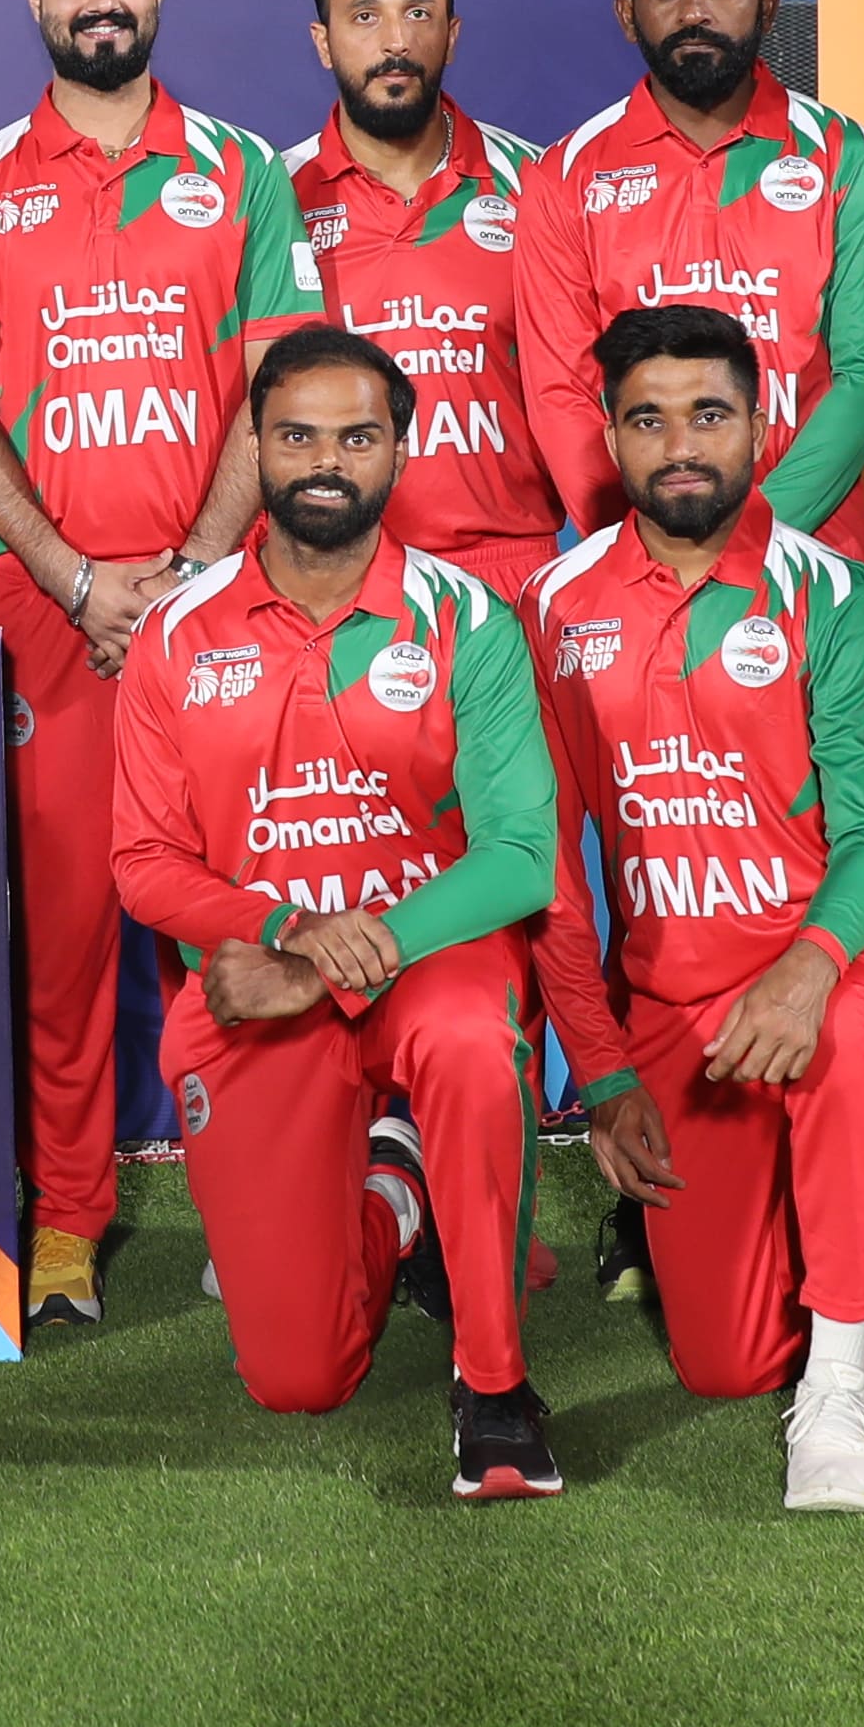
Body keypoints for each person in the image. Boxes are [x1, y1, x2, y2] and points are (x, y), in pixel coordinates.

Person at [0, 0, 317, 1328]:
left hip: (228, 599)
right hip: (49, 608)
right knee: (70, 930)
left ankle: (262, 1198)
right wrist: (80, 581)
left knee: (238, 911)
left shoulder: (240, 172)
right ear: (36, 0)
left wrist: (195, 573)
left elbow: (276, 393)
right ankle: (70, 1220)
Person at [114, 322, 566, 1497]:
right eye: (297, 434)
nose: (326, 459)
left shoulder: (466, 616)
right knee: (298, 1376)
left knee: (472, 1042)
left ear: (402, 450)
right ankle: (395, 1193)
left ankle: (497, 1385)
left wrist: (344, 954)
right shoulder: (176, 628)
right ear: (253, 447)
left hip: (430, 958)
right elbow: (145, 863)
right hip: (259, 979)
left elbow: (521, 858)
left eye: (357, 436)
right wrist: (281, 930)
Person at [531, 303, 864, 1508]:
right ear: (609, 436)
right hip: (676, 998)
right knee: (722, 1361)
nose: (681, 445)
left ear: (762, 425)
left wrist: (812, 964)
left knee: (845, 1039)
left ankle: (846, 1387)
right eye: (648, 420)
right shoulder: (553, 608)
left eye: (710, 413)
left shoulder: (835, 592)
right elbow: (548, 868)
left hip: (848, 951)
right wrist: (602, 1075)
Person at [511, 0, 864, 548]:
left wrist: (759, 532)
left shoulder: (848, 158)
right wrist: (641, 548)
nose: (694, 11)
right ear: (627, 13)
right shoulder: (563, 176)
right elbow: (560, 393)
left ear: (770, 3)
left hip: (814, 554)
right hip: (637, 566)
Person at [286, 0, 555, 600]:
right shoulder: (273, 196)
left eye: (419, 14)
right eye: (366, 17)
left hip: (511, 568)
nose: (396, 42)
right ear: (324, 43)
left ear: (452, 36)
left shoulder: (539, 182)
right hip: (334, 574)